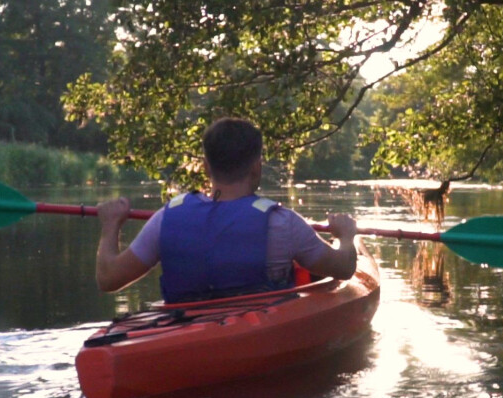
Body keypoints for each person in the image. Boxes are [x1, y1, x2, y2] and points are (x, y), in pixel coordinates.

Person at [94, 117, 358, 302]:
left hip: (185, 328)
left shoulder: (166, 218)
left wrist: (110, 225)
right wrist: (345, 235)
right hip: (258, 331)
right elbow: (344, 268)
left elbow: (108, 279)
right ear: (257, 167)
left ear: (206, 167)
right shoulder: (283, 224)